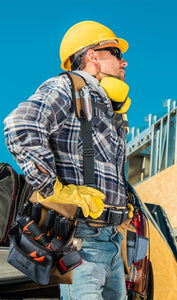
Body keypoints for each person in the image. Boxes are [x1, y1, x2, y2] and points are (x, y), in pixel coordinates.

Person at [4, 20, 131, 299]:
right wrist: (55, 189)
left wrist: (124, 205)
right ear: (92, 55)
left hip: (111, 239)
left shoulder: (110, 109)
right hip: (80, 238)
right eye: (117, 54)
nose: (124, 63)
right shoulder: (67, 88)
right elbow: (20, 125)